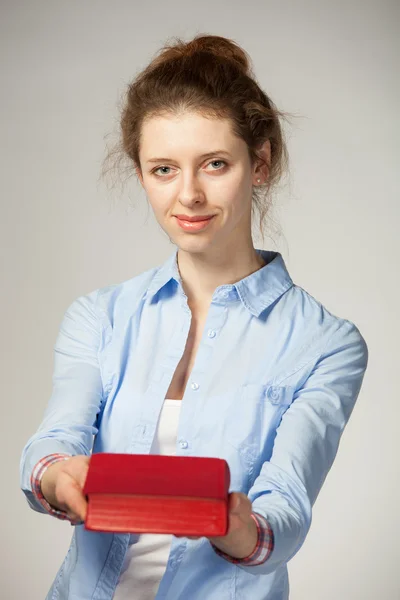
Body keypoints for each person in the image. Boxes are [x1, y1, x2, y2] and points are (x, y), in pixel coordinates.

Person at [20, 34, 368, 600]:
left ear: (260, 162)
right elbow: (55, 441)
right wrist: (57, 477)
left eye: (214, 164)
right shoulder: (98, 317)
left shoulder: (327, 343)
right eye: (163, 169)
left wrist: (238, 527)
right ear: (140, 174)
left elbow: (287, 505)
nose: (189, 195)